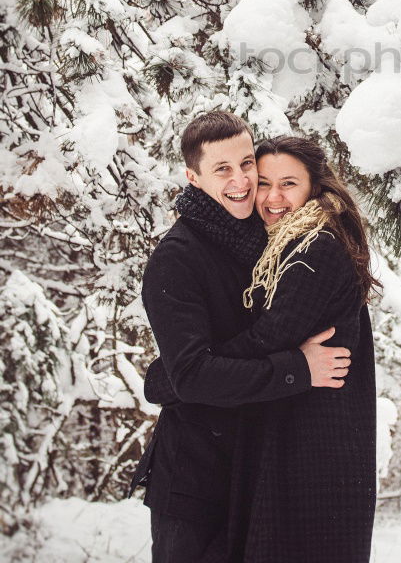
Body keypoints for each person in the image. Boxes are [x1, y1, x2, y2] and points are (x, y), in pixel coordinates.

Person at [127, 112, 352, 562]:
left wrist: (165, 380)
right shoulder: (176, 260)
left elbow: (190, 372)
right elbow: (194, 374)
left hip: (257, 473)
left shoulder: (271, 237)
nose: (242, 180)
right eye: (222, 169)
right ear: (194, 177)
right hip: (194, 483)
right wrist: (296, 370)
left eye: (246, 163)